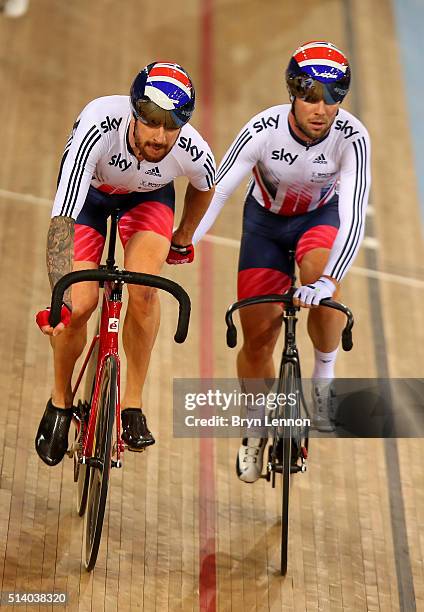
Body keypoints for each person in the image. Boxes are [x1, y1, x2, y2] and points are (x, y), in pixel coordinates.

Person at [193, 41, 371, 483]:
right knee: (257, 339)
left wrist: (329, 281)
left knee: (319, 274)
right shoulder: (262, 131)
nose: (321, 107)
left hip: (319, 220)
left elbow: (353, 213)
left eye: (332, 98)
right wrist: (185, 241)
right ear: (292, 92)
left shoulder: (353, 138)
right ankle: (255, 427)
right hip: (266, 227)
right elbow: (217, 191)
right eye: (310, 95)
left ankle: (323, 379)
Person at [35, 62, 215, 466]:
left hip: (147, 201)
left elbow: (206, 187)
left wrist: (183, 236)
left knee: (145, 290)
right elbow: (64, 218)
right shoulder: (99, 125)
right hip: (90, 201)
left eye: (172, 125)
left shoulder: (193, 151)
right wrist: (57, 296)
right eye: (151, 121)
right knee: (78, 306)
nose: (160, 135)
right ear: (134, 111)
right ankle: (60, 400)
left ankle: (130, 403)